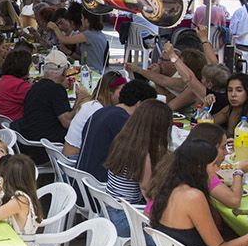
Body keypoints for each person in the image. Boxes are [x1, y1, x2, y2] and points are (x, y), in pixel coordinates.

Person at [103, 99, 174, 235]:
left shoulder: (123, 140)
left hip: (109, 208)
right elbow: (148, 192)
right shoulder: (143, 155)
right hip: (123, 217)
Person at [76, 78, 157, 179]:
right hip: (100, 182)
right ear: (139, 104)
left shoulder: (103, 111)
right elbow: (137, 157)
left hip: (85, 177)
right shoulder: (124, 121)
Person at [13, 50, 75, 144]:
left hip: (29, 138)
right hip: (46, 145)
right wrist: (80, 100)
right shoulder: (56, 90)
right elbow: (67, 123)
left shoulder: (36, 86)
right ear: (64, 72)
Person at [63, 71, 124, 158]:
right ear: (109, 93)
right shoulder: (97, 111)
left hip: (69, 157)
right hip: (74, 160)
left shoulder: (91, 104)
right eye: (121, 91)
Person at [0, 46, 33, 122]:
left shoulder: (2, 79)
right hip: (15, 123)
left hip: (1, 123)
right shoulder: (20, 86)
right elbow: (38, 98)